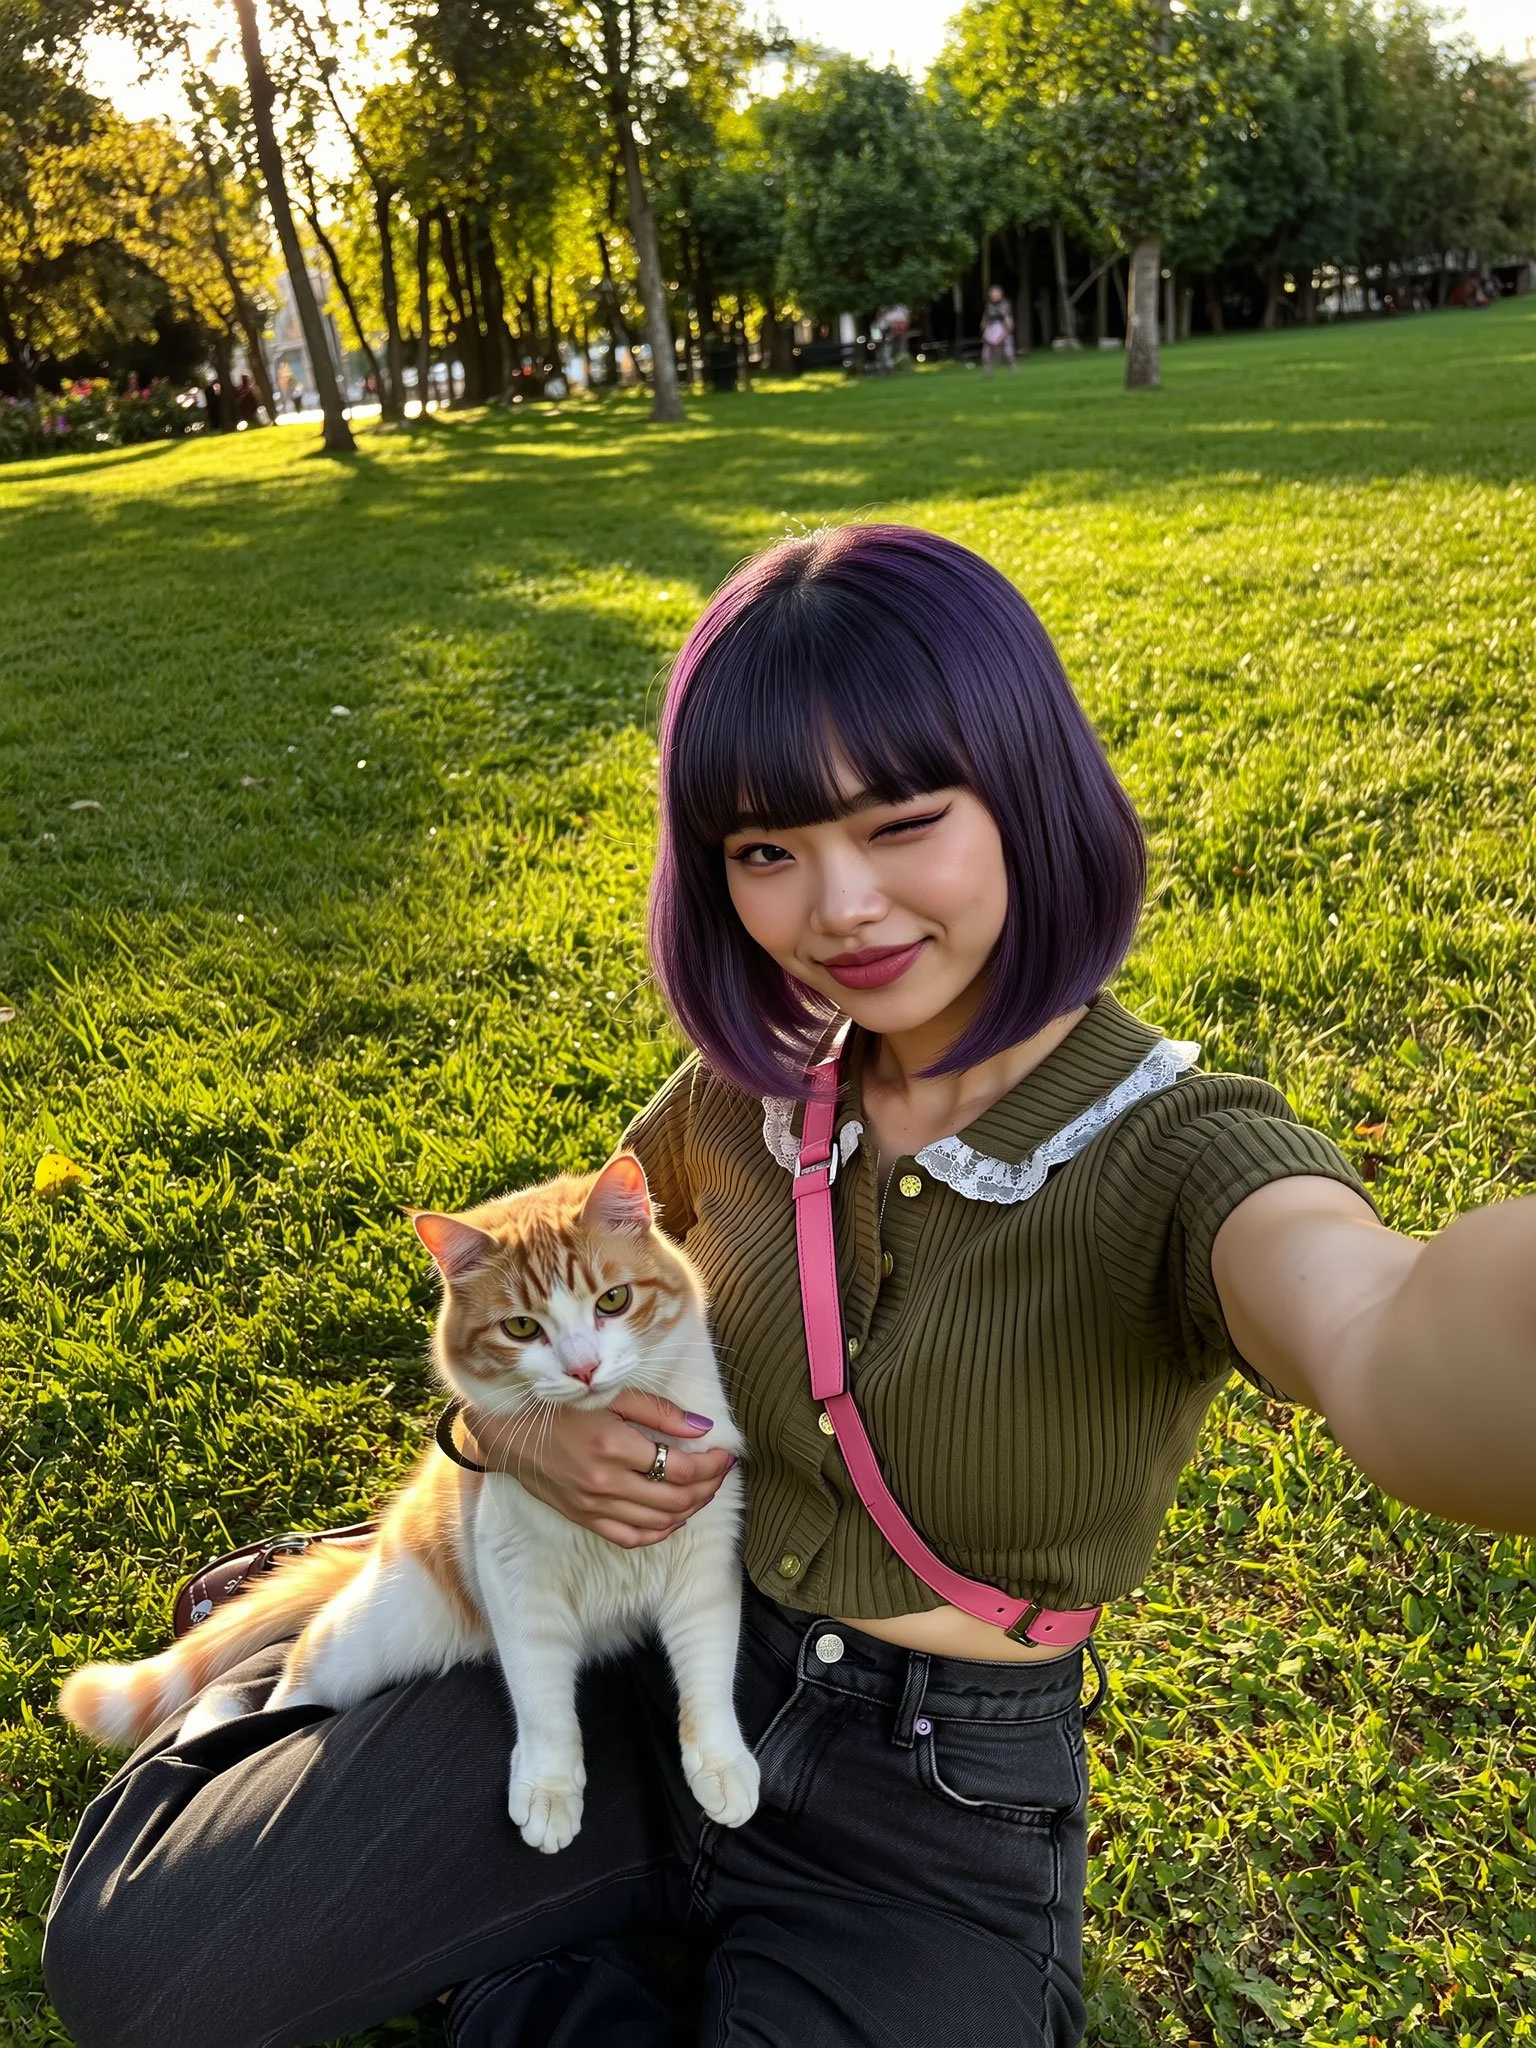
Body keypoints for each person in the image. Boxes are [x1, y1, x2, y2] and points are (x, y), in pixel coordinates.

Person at [42, 526, 1536, 2048]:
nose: (838, 911)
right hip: (648, 1651)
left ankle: (513, 1968)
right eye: (767, 851)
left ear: (1027, 791)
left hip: (926, 1800)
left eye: (902, 822)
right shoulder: (747, 1094)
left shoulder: (1179, 1152)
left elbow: (1373, 1318)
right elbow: (565, 1293)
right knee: (145, 1972)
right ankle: (283, 1648)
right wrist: (507, 1443)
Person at [981, 284, 1017, 374]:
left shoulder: (1005, 305)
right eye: (993, 293)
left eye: (996, 293)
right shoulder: (988, 306)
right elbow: (985, 319)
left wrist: (1004, 333)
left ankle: (1013, 367)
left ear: (1001, 294)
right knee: (986, 352)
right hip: (991, 328)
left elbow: (1008, 320)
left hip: (1002, 328)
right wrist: (985, 331)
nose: (994, 295)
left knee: (1008, 352)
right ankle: (988, 370)